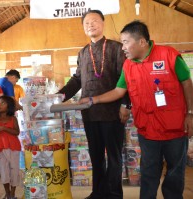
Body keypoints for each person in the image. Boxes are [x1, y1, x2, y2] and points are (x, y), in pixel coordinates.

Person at [80, 20, 193, 199]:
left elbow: (187, 82)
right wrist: (94, 99)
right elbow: (119, 91)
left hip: (175, 129)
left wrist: (190, 113)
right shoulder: (128, 65)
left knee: (174, 174)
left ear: (142, 42)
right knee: (148, 174)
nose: (122, 47)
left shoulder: (169, 55)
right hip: (147, 131)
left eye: (125, 42)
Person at [57, 10, 130, 199]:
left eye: (95, 21)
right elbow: (76, 81)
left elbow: (126, 79)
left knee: (114, 157)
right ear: (83, 27)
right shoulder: (82, 52)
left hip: (113, 112)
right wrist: (57, 97)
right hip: (89, 113)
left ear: (103, 23)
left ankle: (114, 194)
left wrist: (125, 105)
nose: (91, 25)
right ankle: (98, 192)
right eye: (87, 23)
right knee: (95, 155)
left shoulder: (116, 48)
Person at [0, 96, 21, 199]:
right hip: (1, 148)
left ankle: (12, 193)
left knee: (14, 170)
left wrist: (4, 128)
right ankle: (7, 193)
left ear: (9, 107)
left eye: (3, 103)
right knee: (3, 170)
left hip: (14, 148)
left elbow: (17, 132)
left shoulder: (13, 119)